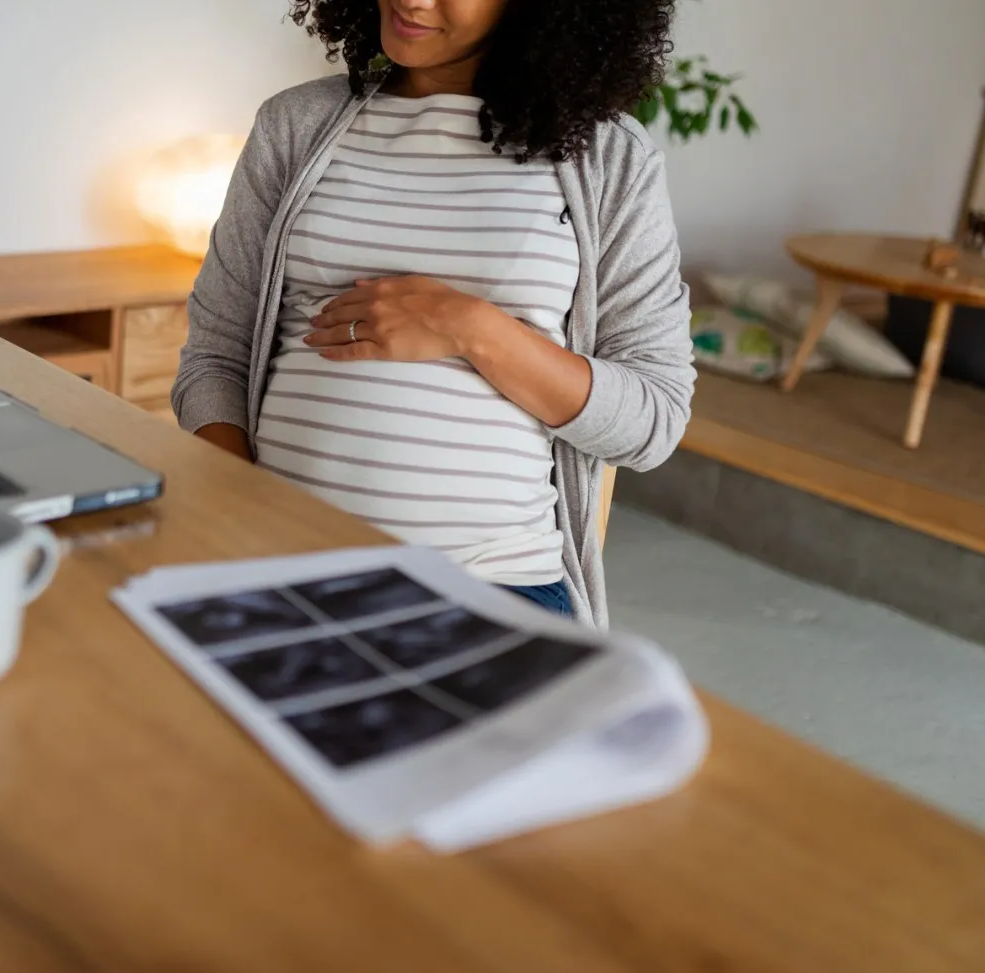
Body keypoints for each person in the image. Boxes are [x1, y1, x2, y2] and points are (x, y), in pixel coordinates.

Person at [172, 0, 694, 627]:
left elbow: (653, 418)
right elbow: (214, 356)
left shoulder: (607, 160)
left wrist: (468, 327)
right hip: (280, 564)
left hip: (489, 588)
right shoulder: (295, 125)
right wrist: (245, 520)